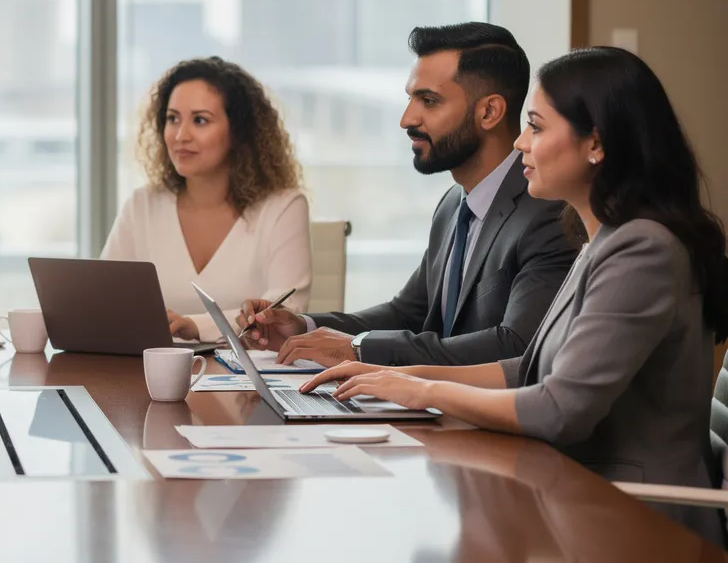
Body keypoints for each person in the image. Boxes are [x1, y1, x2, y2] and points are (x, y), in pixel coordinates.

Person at [303, 47, 728, 545]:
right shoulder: (604, 238)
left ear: (596, 142)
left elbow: (558, 410)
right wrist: (402, 376)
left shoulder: (642, 249)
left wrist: (423, 393)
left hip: (637, 517)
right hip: (581, 492)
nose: (521, 142)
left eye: (536, 127)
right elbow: (530, 369)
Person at [241, 22, 576, 367]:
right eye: (410, 99)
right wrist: (304, 327)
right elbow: (407, 314)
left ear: (489, 112)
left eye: (428, 101)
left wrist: (358, 349)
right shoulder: (453, 204)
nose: (406, 119)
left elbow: (516, 345)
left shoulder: (549, 214)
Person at [102, 56, 311, 343]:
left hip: (246, 371)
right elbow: (103, 299)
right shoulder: (142, 205)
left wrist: (195, 326)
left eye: (200, 120)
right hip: (151, 368)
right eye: (172, 119)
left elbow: (285, 311)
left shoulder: (283, 206)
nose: (180, 135)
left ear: (238, 131)